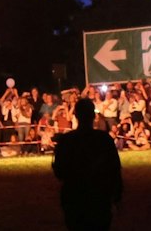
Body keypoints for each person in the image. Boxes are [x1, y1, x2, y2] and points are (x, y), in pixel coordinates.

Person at [52, 99, 123, 231]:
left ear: (76, 115)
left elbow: (59, 171)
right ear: (93, 115)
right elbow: (115, 169)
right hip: (99, 197)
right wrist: (117, 195)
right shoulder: (104, 139)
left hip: (74, 197)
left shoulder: (66, 140)